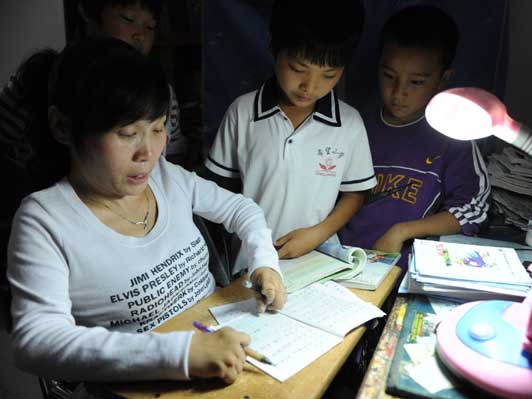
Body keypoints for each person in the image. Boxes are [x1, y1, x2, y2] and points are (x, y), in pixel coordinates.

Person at [6, 37, 286, 384]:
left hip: (225, 348)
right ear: (63, 127)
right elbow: (37, 342)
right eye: (127, 134)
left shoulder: (167, 177)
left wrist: (264, 264)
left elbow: (243, 210)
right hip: (149, 383)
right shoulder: (44, 220)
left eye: (157, 129)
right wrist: (181, 352)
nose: (148, 153)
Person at [204, 0, 376, 265]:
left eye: (328, 75)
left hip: (318, 257)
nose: (310, 86)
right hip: (251, 261)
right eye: (298, 69)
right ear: (273, 44)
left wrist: (317, 234)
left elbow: (355, 194)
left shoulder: (349, 124)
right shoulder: (242, 112)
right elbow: (218, 192)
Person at [338, 6, 490, 267]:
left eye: (416, 82)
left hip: (403, 268)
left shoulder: (453, 136)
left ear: (443, 79)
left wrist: (402, 231)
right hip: (340, 260)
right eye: (389, 76)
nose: (399, 92)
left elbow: (474, 209)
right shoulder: (355, 126)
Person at [76, 0, 188, 163]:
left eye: (150, 27)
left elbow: (174, 152)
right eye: (128, 19)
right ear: (91, 18)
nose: (140, 35)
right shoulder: (78, 84)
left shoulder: (161, 89)